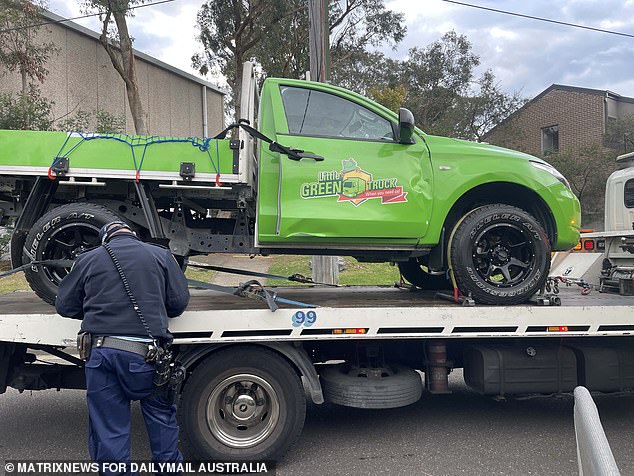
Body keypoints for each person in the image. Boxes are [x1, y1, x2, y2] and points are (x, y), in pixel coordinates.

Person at [55, 221, 190, 475]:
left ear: (105, 239)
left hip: (102, 355)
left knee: (109, 431)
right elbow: (178, 303)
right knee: (161, 420)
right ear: (134, 236)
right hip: (148, 358)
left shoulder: (88, 259)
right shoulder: (160, 255)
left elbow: (64, 306)